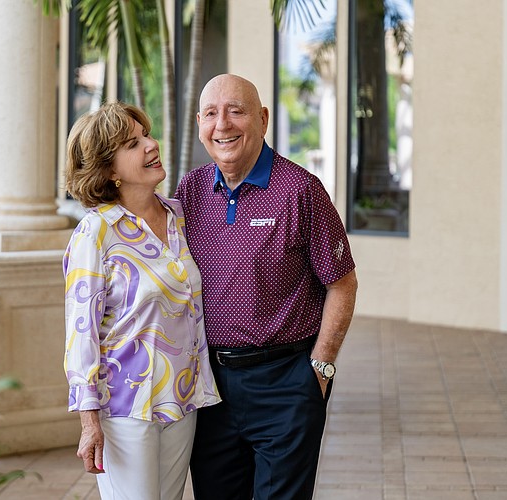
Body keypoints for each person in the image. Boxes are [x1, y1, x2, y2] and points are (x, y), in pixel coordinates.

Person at [175, 74, 358, 499]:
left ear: (262, 119)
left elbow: (343, 283)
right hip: (210, 389)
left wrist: (320, 370)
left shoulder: (301, 191)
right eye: (211, 114)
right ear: (199, 124)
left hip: (286, 384)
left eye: (236, 111)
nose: (223, 124)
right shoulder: (190, 191)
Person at [63, 101, 220, 499]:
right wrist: (88, 419)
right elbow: (81, 333)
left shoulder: (178, 216)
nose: (151, 145)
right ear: (109, 170)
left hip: (182, 400)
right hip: (124, 409)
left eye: (146, 135)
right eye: (133, 144)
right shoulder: (95, 233)